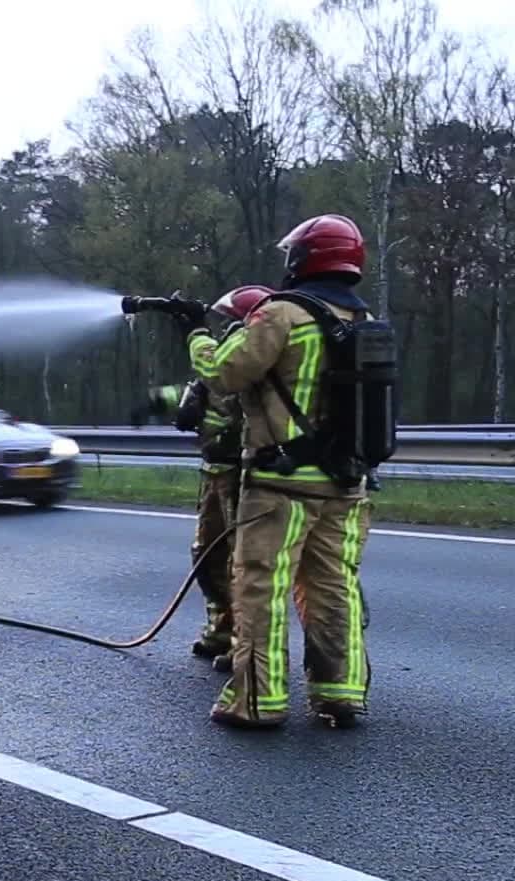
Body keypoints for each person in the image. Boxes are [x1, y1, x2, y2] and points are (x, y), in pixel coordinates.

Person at [190, 215, 376, 729]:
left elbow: (225, 374)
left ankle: (257, 702)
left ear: (302, 259)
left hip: (280, 486)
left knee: (261, 588)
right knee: (334, 586)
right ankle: (339, 693)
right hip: (345, 484)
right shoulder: (358, 320)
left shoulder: (283, 314)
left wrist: (197, 339)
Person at [178, 284, 272, 673]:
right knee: (207, 555)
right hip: (213, 470)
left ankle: (241, 647)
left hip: (240, 474)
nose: (224, 332)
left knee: (240, 562)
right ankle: (220, 628)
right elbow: (204, 390)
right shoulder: (221, 364)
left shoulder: (252, 363)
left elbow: (222, 382)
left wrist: (195, 332)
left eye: (230, 323)